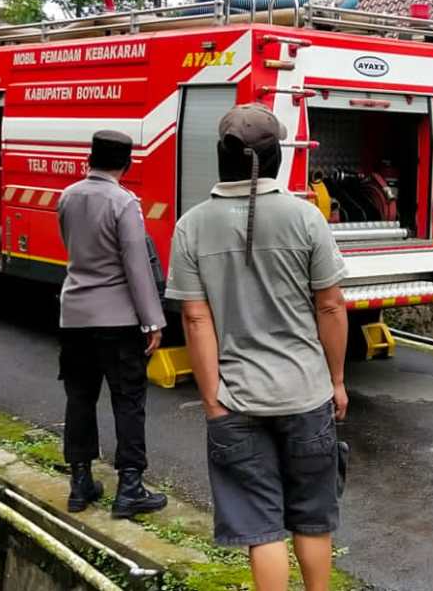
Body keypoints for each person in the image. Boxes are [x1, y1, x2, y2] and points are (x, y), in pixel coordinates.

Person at [167, 103, 349, 591]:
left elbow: (195, 316)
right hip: (307, 394)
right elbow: (331, 307)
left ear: (222, 156)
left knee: (261, 527)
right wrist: (336, 382)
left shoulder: (192, 225)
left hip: (235, 400)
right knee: (313, 517)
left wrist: (212, 400)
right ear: (276, 159)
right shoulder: (307, 219)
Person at [56, 129, 169, 517]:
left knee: (80, 400)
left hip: (74, 316)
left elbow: (69, 245)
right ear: (127, 163)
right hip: (118, 320)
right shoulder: (124, 203)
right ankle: (130, 488)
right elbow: (137, 265)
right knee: (128, 400)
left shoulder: (67, 196)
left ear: (90, 158)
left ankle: (80, 483)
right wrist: (152, 321)